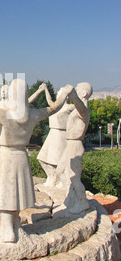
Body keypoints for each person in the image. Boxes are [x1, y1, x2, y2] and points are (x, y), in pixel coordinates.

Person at [0, 79, 73, 243]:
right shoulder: (33, 113)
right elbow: (54, 107)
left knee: (6, 193)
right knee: (18, 192)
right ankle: (16, 224)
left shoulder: (3, 113)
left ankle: (7, 230)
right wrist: (65, 93)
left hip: (6, 156)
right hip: (22, 156)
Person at [56, 82, 93, 214]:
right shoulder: (77, 109)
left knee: (74, 177)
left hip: (75, 145)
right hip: (69, 144)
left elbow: (80, 106)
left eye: (77, 89)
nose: (75, 90)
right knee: (60, 171)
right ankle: (70, 199)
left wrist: (73, 96)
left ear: (83, 93)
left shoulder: (83, 110)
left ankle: (81, 202)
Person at [37, 85, 74, 187]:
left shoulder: (68, 107)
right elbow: (49, 100)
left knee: (58, 161)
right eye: (58, 94)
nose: (59, 95)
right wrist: (45, 89)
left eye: (61, 94)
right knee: (42, 158)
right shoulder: (54, 106)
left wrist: (82, 96)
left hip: (61, 135)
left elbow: (81, 108)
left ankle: (61, 181)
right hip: (52, 134)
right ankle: (52, 176)